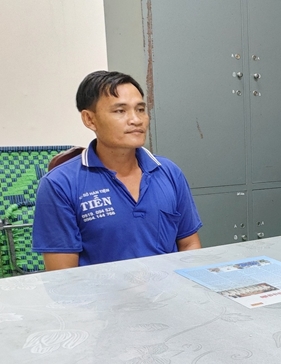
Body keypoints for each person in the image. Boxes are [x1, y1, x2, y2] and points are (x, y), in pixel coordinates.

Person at [33, 71, 203, 270]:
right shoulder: (59, 184)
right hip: (102, 291)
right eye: (120, 111)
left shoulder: (169, 172)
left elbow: (189, 245)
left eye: (140, 109)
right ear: (90, 119)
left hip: (170, 288)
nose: (136, 120)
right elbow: (63, 276)